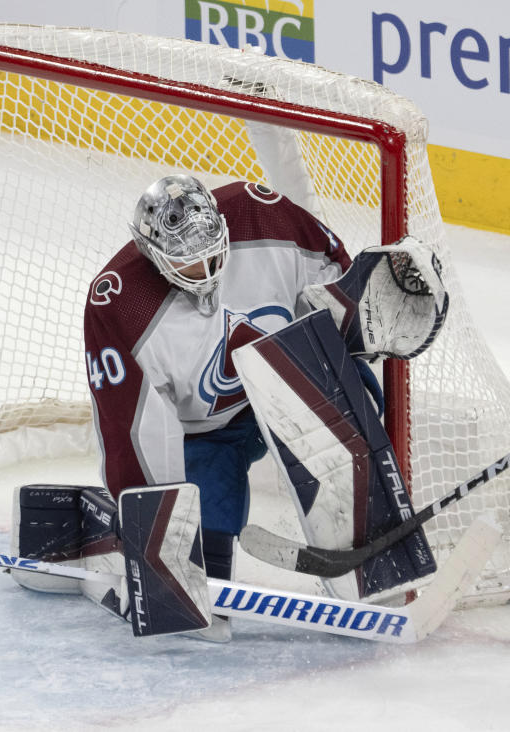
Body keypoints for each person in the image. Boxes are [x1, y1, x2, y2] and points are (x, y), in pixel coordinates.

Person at [83, 175, 355, 640]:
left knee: (356, 404)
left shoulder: (259, 214)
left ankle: (367, 554)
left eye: (212, 254)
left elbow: (338, 278)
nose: (205, 270)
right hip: (207, 429)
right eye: (187, 265)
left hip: (291, 377)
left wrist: (368, 314)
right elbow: (137, 432)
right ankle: (172, 566)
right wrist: (156, 543)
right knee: (206, 512)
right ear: (152, 256)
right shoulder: (120, 306)